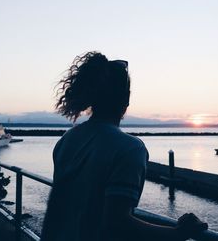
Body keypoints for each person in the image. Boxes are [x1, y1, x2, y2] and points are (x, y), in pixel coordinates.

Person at [41, 51, 208, 241]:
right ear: (126, 99)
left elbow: (59, 207)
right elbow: (117, 223)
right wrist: (178, 234)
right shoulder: (130, 149)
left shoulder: (68, 140)